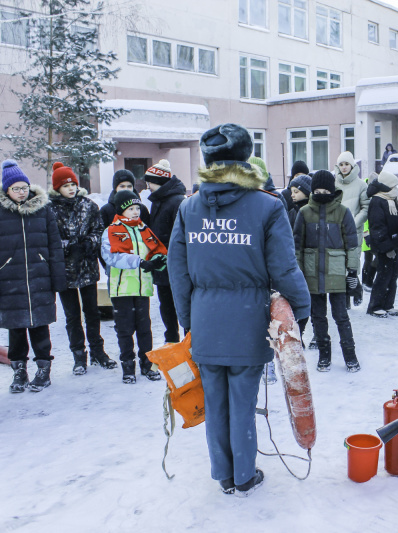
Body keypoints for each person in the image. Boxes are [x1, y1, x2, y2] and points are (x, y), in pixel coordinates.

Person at [169, 123, 310, 496]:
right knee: (243, 401)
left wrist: (190, 320)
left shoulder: (188, 207)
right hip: (248, 317)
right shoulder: (267, 205)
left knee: (215, 402)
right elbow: (284, 267)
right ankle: (245, 474)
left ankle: (224, 473)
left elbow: (177, 272)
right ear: (245, 157)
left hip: (206, 319)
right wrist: (300, 310)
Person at [0, 160, 66, 392]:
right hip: (9, 283)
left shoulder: (43, 210)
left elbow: (54, 246)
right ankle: (19, 371)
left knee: (40, 328)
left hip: (40, 279)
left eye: (24, 187)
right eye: (16, 188)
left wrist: (58, 278)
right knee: (15, 331)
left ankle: (43, 368)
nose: (21, 192)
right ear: (7, 190)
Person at [48, 162, 116, 374]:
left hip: (87, 268)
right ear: (57, 188)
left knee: (92, 312)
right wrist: (69, 246)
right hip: (64, 271)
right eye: (66, 185)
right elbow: (48, 240)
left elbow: (99, 231)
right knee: (72, 316)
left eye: (73, 184)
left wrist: (89, 243)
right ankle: (78, 356)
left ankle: (98, 352)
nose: (71, 188)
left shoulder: (89, 206)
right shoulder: (49, 210)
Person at [294, 170, 361, 371]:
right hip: (312, 274)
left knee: (341, 316)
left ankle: (350, 355)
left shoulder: (343, 212)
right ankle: (324, 355)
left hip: (337, 274)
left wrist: (352, 271)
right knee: (318, 317)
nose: (322, 193)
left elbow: (352, 244)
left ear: (332, 190)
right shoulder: (304, 213)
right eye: (317, 190)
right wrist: (298, 274)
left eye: (325, 189)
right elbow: (297, 246)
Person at [101, 190, 166, 384]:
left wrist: (158, 260)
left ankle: (147, 364)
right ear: (122, 210)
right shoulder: (111, 230)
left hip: (142, 288)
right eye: (131, 208)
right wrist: (139, 262)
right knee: (125, 329)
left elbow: (156, 249)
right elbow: (111, 257)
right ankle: (128, 366)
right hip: (122, 289)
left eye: (137, 207)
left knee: (145, 328)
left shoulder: (143, 228)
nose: (136, 211)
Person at [143, 159, 187, 344]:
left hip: (175, 265)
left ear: (158, 182)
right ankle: (172, 341)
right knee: (166, 306)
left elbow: (180, 235)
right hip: (162, 264)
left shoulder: (176, 201)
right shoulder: (159, 201)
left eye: (149, 182)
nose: (147, 186)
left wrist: (167, 253)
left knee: (180, 307)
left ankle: (187, 343)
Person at [365, 170, 398, 317]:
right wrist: (387, 247)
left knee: (393, 274)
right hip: (384, 246)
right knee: (384, 275)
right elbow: (377, 226)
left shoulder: (393, 197)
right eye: (393, 185)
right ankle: (375, 306)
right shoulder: (378, 201)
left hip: (393, 243)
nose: (396, 188)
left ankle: (388, 304)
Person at [334, 151, 369, 307]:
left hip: (354, 230)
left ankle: (356, 289)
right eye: (341, 164)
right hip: (335, 231)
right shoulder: (333, 183)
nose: (344, 167)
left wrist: (353, 223)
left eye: (347, 164)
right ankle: (345, 298)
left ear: (352, 165)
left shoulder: (362, 185)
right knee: (338, 264)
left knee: (352, 264)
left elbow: (365, 208)